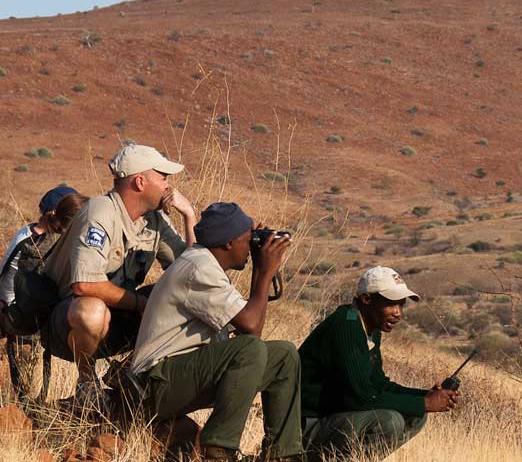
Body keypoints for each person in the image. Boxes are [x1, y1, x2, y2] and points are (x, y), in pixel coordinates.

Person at [125, 203, 302, 462]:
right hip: (153, 385)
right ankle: (218, 450)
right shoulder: (199, 268)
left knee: (283, 355)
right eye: (246, 240)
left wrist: (259, 270)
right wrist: (265, 271)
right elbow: (251, 329)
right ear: (228, 243)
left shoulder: (207, 264)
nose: (250, 247)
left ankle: (283, 454)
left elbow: (249, 331)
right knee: (249, 350)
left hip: (176, 376)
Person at [42, 144, 198, 405]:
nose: (169, 186)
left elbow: (194, 273)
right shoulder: (101, 212)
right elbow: (84, 285)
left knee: (188, 302)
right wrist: (139, 304)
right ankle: (87, 385)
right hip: (65, 323)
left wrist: (190, 216)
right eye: (163, 178)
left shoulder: (154, 220)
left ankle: (127, 376)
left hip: (114, 318)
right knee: (92, 309)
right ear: (139, 182)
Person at [298, 267, 458, 461]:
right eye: (391, 304)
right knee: (389, 421)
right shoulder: (345, 325)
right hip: (308, 426)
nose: (398, 313)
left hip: (333, 419)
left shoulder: (369, 328)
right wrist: (424, 402)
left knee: (416, 415)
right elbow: (362, 398)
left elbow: (379, 384)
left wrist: (425, 396)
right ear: (367, 300)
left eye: (401, 305)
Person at [0, 185, 80, 330]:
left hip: (13, 305)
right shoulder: (38, 242)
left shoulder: (27, 230)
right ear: (54, 215)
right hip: (16, 313)